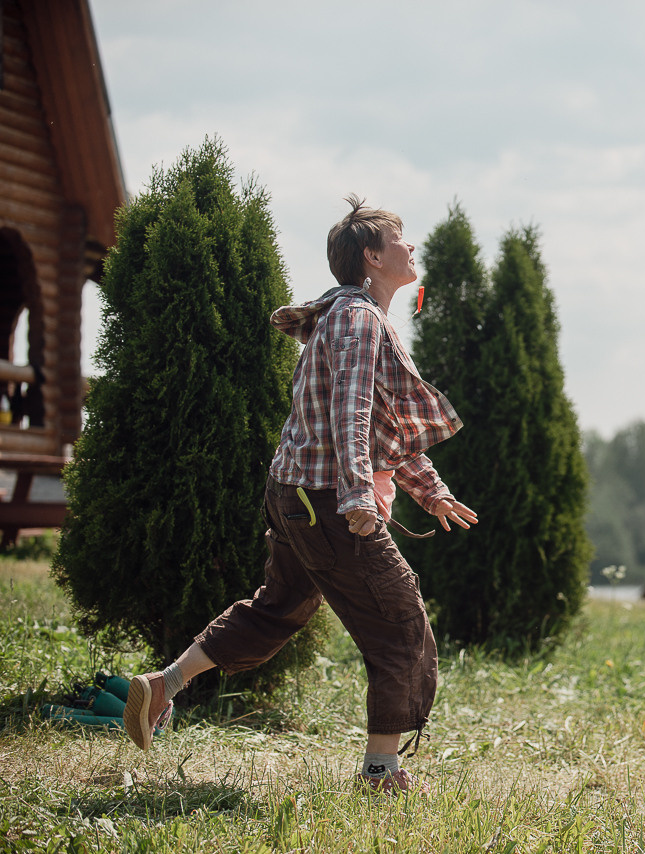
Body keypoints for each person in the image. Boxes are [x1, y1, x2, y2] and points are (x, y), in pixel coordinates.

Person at [123, 195, 477, 795]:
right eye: (400, 237)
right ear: (372, 255)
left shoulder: (350, 316)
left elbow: (379, 422)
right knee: (400, 620)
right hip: (326, 500)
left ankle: (166, 684)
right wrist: (359, 497)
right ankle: (381, 773)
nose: (411, 246)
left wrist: (430, 490)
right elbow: (352, 411)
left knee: (277, 608)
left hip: (295, 493)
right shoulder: (360, 319)